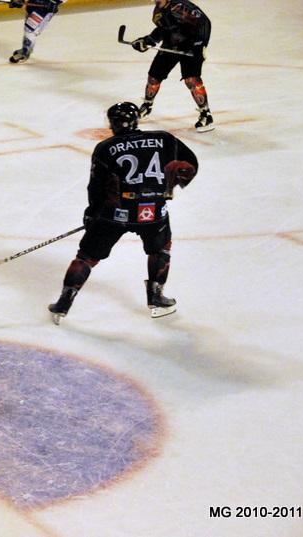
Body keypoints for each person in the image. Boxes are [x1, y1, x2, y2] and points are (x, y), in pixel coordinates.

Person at [48, 102, 198, 325]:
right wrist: (169, 187)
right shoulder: (165, 139)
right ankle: (156, 297)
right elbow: (190, 165)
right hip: (153, 211)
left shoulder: (105, 147)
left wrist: (92, 215)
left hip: (116, 213)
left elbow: (96, 187)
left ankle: (64, 303)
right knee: (161, 249)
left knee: (86, 257)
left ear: (113, 123)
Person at [130, 0, 213, 132]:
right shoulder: (158, 12)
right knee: (154, 77)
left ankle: (206, 115)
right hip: (171, 45)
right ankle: (147, 105)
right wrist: (147, 41)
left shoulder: (181, 7)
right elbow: (163, 30)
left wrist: (201, 44)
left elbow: (204, 22)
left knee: (191, 79)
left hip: (191, 46)